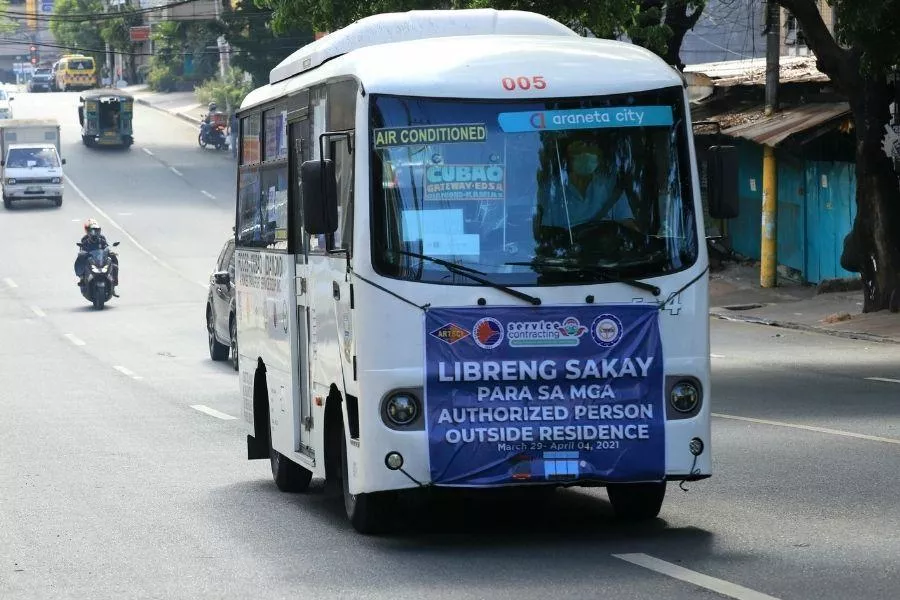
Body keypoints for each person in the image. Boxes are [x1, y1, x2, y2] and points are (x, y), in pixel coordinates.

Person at [537, 137, 640, 235]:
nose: (586, 152)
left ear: (599, 156)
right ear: (568, 155)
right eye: (580, 146)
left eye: (591, 146)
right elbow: (547, 233)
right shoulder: (553, 190)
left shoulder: (611, 186)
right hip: (567, 251)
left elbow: (627, 225)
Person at [74, 219, 118, 289]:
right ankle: (82, 278)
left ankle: (115, 278)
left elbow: (106, 247)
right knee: (81, 260)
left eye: (96, 230)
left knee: (113, 259)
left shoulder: (102, 239)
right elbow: (83, 248)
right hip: (90, 257)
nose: (94, 233)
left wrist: (110, 252)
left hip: (100, 257)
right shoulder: (85, 239)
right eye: (92, 231)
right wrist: (83, 254)